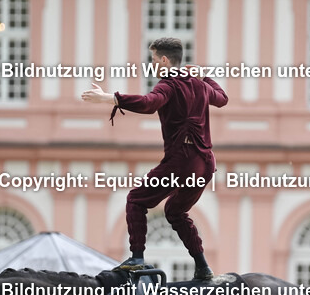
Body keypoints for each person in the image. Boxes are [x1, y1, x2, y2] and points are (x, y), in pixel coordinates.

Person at [81, 37, 228, 281]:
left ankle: (137, 258)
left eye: (153, 60)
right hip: (205, 163)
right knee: (175, 212)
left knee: (136, 200)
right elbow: (222, 99)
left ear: (164, 60)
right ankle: (203, 267)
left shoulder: (168, 85)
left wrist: (112, 98)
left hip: (182, 161)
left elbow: (150, 104)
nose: (152, 65)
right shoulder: (199, 86)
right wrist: (204, 77)